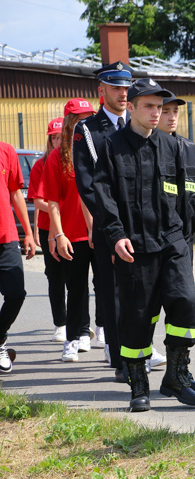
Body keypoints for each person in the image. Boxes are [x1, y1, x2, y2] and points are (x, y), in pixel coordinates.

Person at [93, 78, 195, 412]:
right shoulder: (112, 146)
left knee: (186, 299)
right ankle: (138, 382)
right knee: (138, 317)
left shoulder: (172, 147)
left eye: (159, 107)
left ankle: (177, 374)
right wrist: (116, 235)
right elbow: (103, 194)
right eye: (149, 106)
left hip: (172, 240)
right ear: (131, 108)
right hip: (134, 245)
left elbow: (190, 193)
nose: (156, 113)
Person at [154, 92, 195, 394]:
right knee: (147, 309)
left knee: (184, 302)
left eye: (174, 112)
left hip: (180, 242)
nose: (170, 117)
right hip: (149, 243)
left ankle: (176, 371)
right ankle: (134, 372)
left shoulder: (188, 148)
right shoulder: (147, 148)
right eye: (164, 111)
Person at [73, 61, 133, 381]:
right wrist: (112, 227)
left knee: (141, 290)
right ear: (101, 90)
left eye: (126, 87)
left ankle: (139, 350)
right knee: (111, 293)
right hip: (110, 225)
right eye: (116, 87)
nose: (123, 93)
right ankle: (121, 358)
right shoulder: (87, 131)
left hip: (139, 224)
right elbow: (88, 185)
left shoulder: (136, 124)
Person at [43, 98, 95, 362]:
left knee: (109, 287)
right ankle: (74, 338)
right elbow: (51, 201)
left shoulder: (99, 147)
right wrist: (57, 235)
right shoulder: (57, 156)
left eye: (88, 116)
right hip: (73, 234)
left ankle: (105, 334)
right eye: (79, 117)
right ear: (68, 122)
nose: (84, 121)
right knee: (76, 288)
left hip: (101, 232)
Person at [0, 141, 36, 374]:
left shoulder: (6, 151)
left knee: (16, 293)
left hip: (7, 236)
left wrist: (29, 233)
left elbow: (15, 193)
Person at [30, 117, 67, 342]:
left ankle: (77, 322)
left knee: (76, 277)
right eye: (54, 137)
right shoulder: (40, 165)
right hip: (48, 228)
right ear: (49, 140)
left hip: (72, 226)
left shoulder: (75, 161)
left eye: (62, 136)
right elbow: (38, 200)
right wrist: (59, 210)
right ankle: (60, 324)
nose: (58, 141)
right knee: (55, 277)